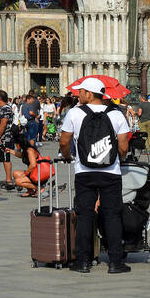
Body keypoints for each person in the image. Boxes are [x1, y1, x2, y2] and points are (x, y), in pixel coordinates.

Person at [58, 76, 132, 274]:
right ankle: (116, 262)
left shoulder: (74, 113)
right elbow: (124, 145)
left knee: (84, 216)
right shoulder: (116, 114)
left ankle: (82, 262)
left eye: (81, 92)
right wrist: (118, 158)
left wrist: (68, 156)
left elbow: (64, 141)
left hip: (84, 172)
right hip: (111, 172)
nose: (78, 94)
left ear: (89, 94)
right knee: (112, 215)